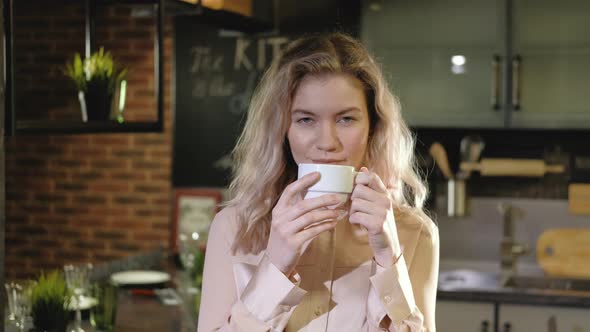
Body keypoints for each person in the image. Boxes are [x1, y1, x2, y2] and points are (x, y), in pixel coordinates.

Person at [197, 32, 439, 332]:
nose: (327, 143)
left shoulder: (415, 233)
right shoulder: (233, 227)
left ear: (373, 127)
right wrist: (275, 267)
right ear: (283, 129)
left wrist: (388, 258)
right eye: (306, 120)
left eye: (346, 119)